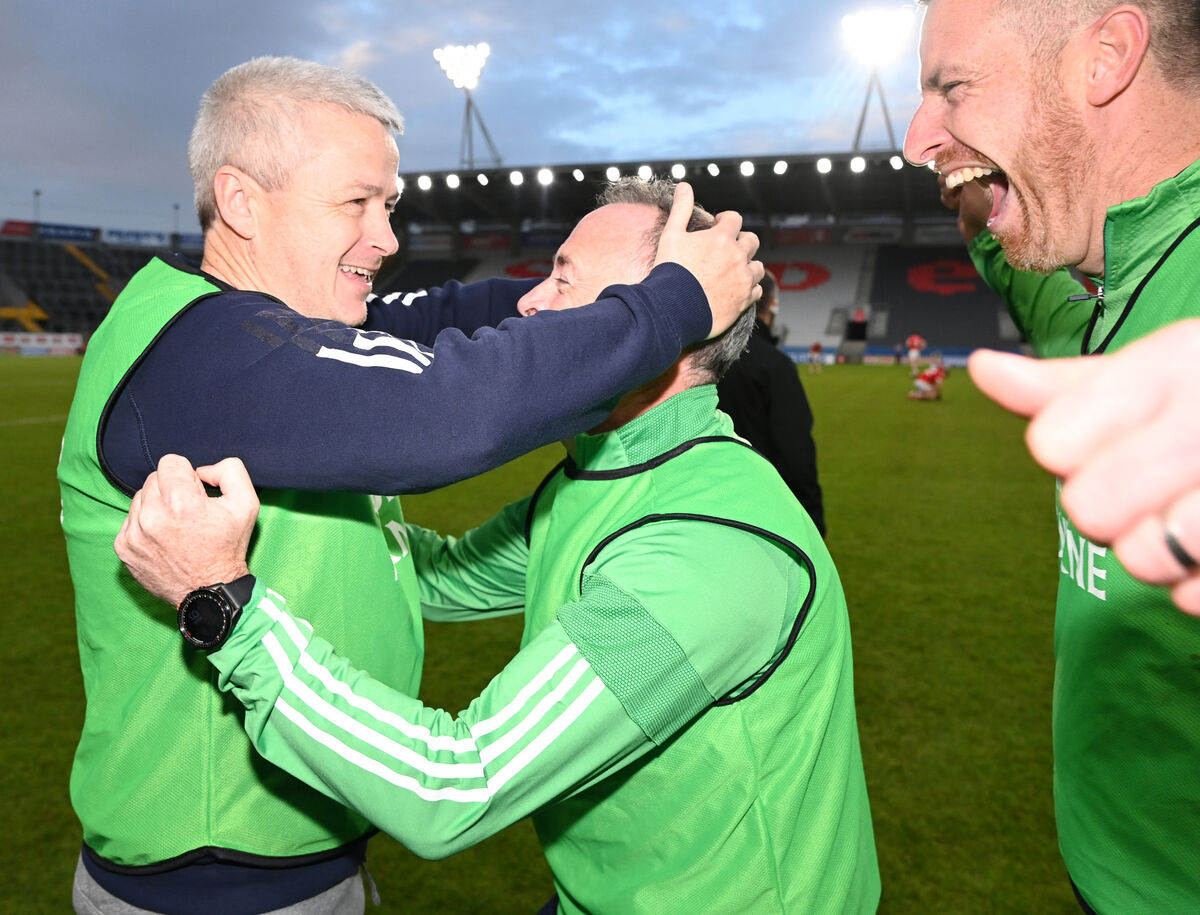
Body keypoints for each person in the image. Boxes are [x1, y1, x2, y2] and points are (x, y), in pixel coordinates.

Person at [58, 58, 761, 915]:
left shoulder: (279, 323)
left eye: (387, 204)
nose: (386, 236)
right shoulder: (199, 357)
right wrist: (671, 302)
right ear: (241, 200)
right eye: (355, 202)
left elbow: (454, 315)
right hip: (213, 882)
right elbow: (447, 411)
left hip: (293, 848)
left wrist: (583, 284)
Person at [114, 178, 881, 915]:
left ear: (673, 331)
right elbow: (437, 575)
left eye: (566, 280)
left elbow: (453, 784)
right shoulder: (606, 472)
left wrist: (223, 600)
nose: (531, 300)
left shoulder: (705, 554)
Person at [906, 1, 1200, 910]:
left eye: (952, 87)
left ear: (1106, 55)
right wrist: (986, 214)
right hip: (1109, 865)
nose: (919, 138)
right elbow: (1030, 288)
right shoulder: (1110, 275)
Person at [717, 269, 826, 535]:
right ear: (773, 303)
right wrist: (813, 520)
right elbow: (794, 449)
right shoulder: (774, 365)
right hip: (764, 508)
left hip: (711, 499)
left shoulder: (698, 360)